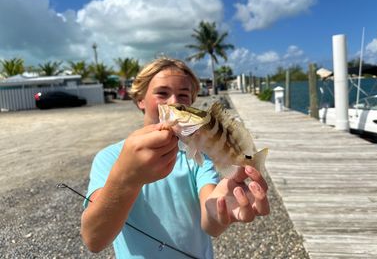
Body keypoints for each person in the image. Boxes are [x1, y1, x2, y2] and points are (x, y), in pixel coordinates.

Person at [81, 57, 270, 259]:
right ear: (140, 99)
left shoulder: (198, 158)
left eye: (183, 96)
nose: (173, 102)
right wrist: (125, 177)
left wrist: (222, 208)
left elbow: (211, 226)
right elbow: (94, 240)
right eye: (162, 93)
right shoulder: (110, 158)